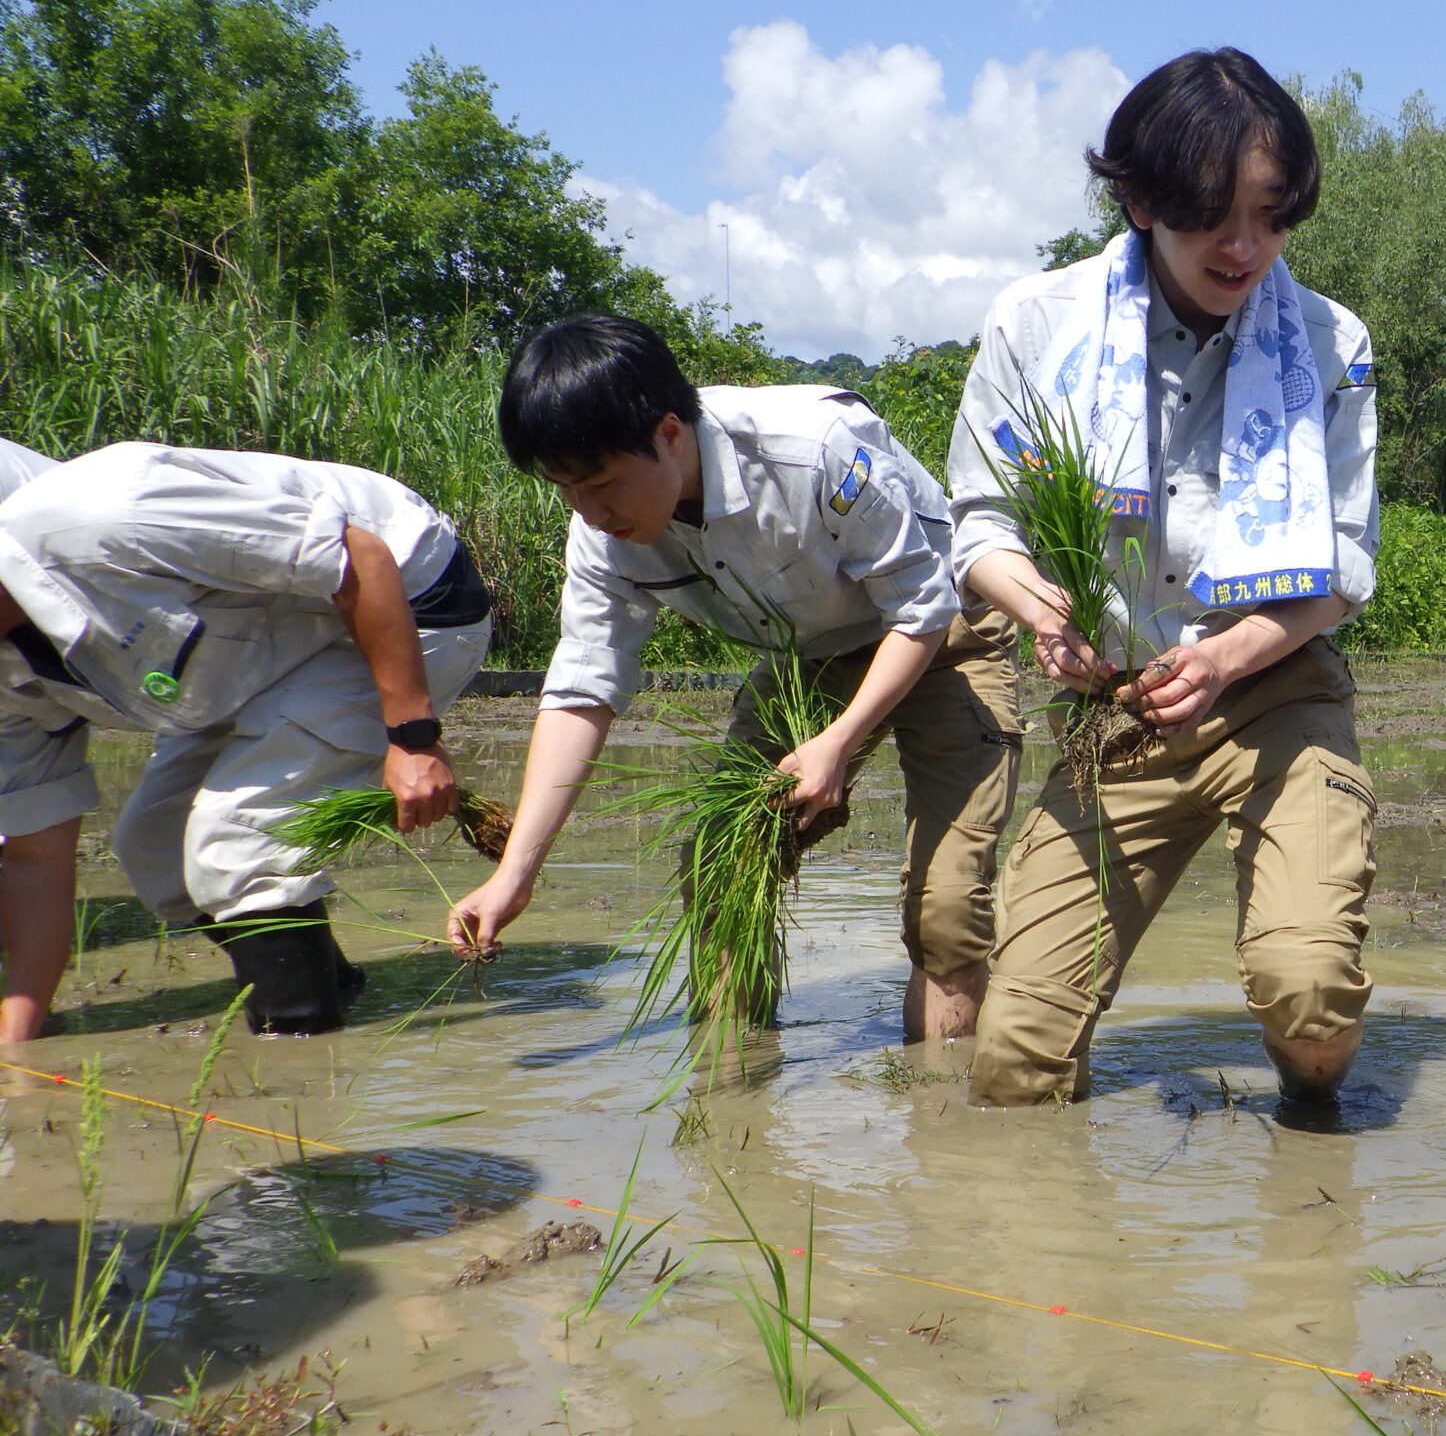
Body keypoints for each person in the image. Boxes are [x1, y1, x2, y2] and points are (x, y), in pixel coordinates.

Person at [946, 47, 1380, 1107]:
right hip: (1115, 709)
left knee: (1309, 995)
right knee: (1012, 1068)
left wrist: (1230, 655)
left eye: (1272, 218)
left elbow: (1346, 562)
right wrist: (1041, 608)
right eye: (1212, 217)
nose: (1245, 249)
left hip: (1275, 692)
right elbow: (981, 524)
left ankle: (1311, 1138)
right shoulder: (1036, 325)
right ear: (1138, 200)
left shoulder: (1328, 341)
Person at [443, 315, 1017, 1041]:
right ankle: (738, 1098)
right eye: (566, 489)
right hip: (812, 650)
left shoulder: (813, 451)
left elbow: (921, 607)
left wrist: (837, 743)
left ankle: (944, 1123)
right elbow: (585, 685)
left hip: (945, 633)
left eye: (602, 483)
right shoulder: (600, 532)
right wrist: (516, 871)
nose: (588, 511)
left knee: (946, 908)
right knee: (722, 859)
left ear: (671, 434)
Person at [0, 440, 492, 1036]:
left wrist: (414, 738)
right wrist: (17, 1048)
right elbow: (34, 861)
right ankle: (328, 987)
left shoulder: (105, 512)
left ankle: (298, 1076)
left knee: (237, 844)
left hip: (411, 597)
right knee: (156, 851)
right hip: (261, 658)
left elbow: (360, 559)